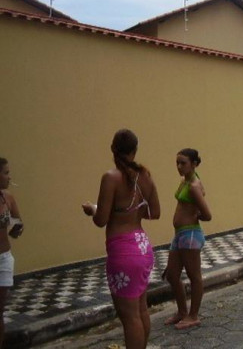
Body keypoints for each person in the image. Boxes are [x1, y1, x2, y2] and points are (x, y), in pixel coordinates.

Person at [82, 129, 160, 349]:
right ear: (135, 151)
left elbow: (101, 220)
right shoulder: (145, 176)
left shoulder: (110, 178)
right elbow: (155, 212)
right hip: (143, 247)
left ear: (113, 149)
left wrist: (92, 210)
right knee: (141, 310)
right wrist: (131, 212)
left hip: (123, 253)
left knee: (130, 318)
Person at [164, 148, 212, 330]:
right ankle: (182, 312)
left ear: (194, 164)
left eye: (183, 163)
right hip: (180, 235)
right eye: (177, 162)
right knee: (172, 275)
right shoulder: (186, 181)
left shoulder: (193, 186)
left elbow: (208, 215)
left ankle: (193, 315)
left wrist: (195, 215)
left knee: (194, 276)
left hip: (190, 235)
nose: (179, 166)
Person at [0, 157, 24, 349]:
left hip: (4, 258)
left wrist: (17, 228)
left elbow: (17, 224)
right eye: (6, 173)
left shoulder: (7, 198)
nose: (9, 177)